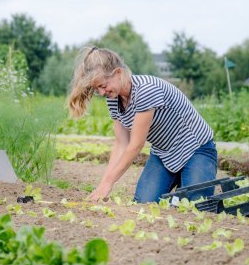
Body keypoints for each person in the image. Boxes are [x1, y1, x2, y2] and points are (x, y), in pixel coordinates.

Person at [67, 46, 217, 203]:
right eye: (97, 89)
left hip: (196, 148)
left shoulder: (146, 90)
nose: (102, 93)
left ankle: (186, 184)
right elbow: (121, 143)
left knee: (197, 206)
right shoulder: (113, 99)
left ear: (118, 73)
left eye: (103, 86)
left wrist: (108, 183)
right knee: (143, 203)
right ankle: (180, 188)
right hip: (164, 153)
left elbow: (135, 145)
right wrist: (103, 184)